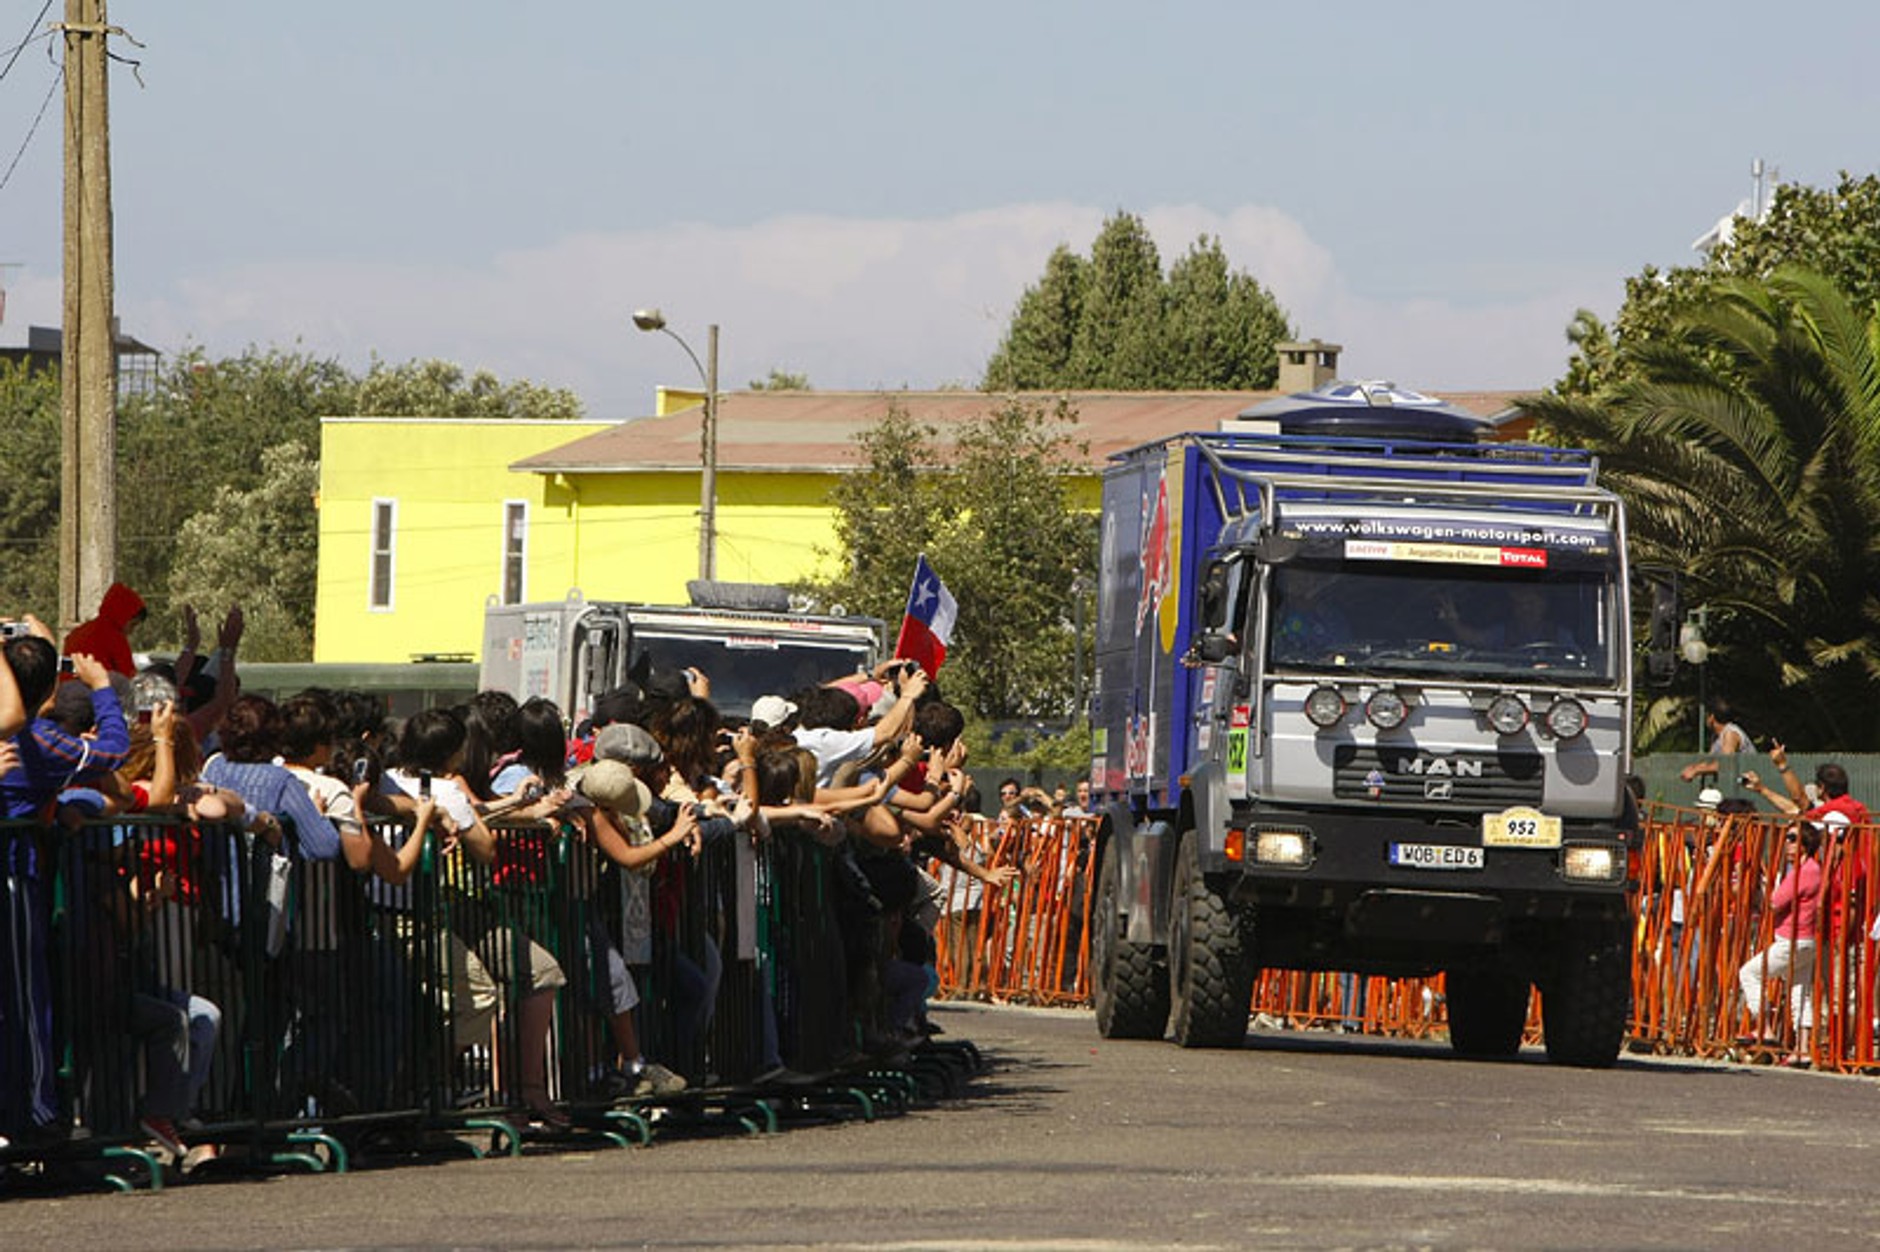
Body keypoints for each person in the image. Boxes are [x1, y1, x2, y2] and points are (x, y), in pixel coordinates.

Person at [1737, 821, 1823, 1065]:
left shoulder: (1801, 872)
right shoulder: (1815, 869)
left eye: (1793, 838)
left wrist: (1762, 888)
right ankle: (1802, 1049)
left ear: (1804, 844)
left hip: (1790, 940)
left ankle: (1764, 1027)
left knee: (1749, 973)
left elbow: (1775, 902)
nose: (1787, 843)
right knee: (1799, 993)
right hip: (1806, 940)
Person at [61, 582, 146, 678]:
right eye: (132, 625)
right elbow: (128, 675)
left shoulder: (77, 633)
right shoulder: (115, 638)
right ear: (122, 617)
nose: (131, 631)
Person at [1680, 701, 1753, 785]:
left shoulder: (1730, 734)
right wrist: (1694, 768)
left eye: (1706, 715)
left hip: (1747, 785)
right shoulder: (1716, 736)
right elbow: (1711, 762)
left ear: (1711, 717)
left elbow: (1726, 764)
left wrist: (1697, 770)